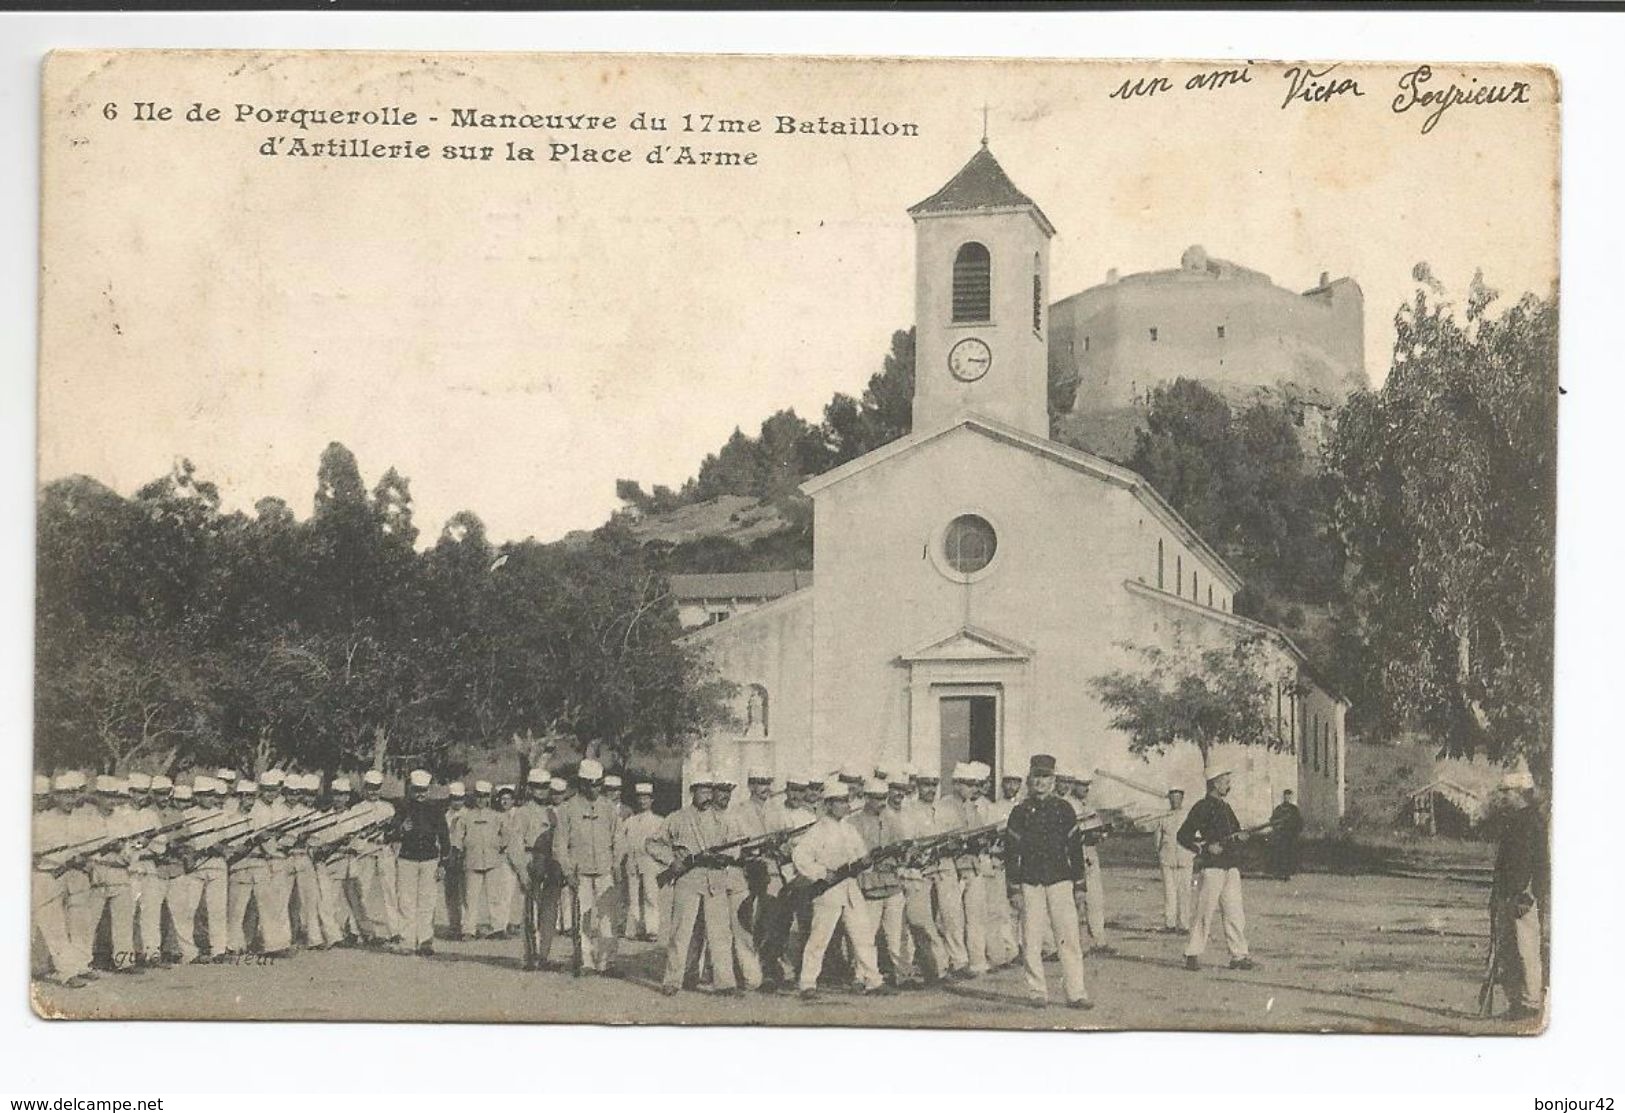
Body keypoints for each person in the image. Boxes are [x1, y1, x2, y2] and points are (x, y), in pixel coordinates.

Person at [1005, 754, 1092, 1008]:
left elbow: (1075, 850)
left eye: (1045, 777)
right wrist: (1013, 888)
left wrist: (1079, 885)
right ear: (1029, 780)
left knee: (1068, 937)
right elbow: (1011, 852)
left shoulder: (1064, 810)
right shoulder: (1019, 812)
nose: (1040, 782)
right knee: (1031, 938)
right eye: (1036, 777)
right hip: (1030, 882)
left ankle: (1076, 992)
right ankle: (1037, 992)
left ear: (1053, 780)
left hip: (1060, 881)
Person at [791, 782, 889, 1000]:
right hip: (828, 892)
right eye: (840, 801)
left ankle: (873, 979)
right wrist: (821, 873)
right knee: (819, 938)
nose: (845, 805)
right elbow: (800, 857)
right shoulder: (818, 830)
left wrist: (866, 862)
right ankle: (807, 983)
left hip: (850, 889)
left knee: (863, 935)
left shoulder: (849, 829)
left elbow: (861, 857)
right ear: (828, 804)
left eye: (846, 801)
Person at [647, 772, 737, 996]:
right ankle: (673, 980)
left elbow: (735, 846)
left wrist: (726, 857)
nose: (707, 795)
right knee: (681, 931)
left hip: (715, 879)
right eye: (702, 790)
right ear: (692, 792)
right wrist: (672, 861)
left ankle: (725, 983)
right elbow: (652, 843)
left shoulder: (723, 819)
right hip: (688, 879)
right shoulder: (677, 818)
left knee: (720, 934)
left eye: (710, 790)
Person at [1178, 767, 1255, 971]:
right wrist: (1203, 846)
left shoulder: (1226, 807)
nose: (1229, 785)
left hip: (1231, 867)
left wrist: (1241, 837)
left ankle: (1239, 956)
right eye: (1226, 781)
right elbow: (1183, 835)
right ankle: (1192, 954)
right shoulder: (1201, 807)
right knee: (1204, 911)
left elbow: (1236, 832)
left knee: (1235, 912)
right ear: (1215, 783)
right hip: (1212, 868)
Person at [553, 758, 622, 975]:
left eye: (599, 784)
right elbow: (559, 844)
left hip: (604, 870)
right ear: (582, 783)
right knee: (581, 919)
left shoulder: (609, 808)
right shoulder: (567, 809)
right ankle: (585, 961)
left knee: (607, 918)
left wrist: (617, 863)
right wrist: (566, 870)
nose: (595, 788)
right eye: (591, 784)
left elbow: (618, 838)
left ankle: (606, 962)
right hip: (579, 871)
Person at [1490, 770, 1548, 1021]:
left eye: (1507, 792)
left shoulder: (1532, 822)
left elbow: (1540, 864)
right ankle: (1516, 1002)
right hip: (1507, 894)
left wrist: (1530, 894)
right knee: (1509, 950)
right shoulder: (1513, 821)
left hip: (1523, 897)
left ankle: (1531, 1002)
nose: (1502, 797)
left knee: (1526, 950)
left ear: (1520, 793)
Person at [32, 773, 94, 988]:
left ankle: (79, 966)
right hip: (45, 876)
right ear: (55, 796)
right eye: (64, 795)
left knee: (78, 922)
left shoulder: (79, 818)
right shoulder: (41, 820)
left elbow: (86, 845)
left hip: (73, 875)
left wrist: (81, 858)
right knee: (53, 926)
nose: (69, 799)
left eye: (73, 794)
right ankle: (67, 973)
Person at [393, 770, 450, 955]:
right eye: (417, 790)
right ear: (411, 789)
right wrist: (401, 829)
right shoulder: (402, 808)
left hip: (429, 860)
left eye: (423, 790)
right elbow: (390, 833)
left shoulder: (436, 809)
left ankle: (425, 941)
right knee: (406, 900)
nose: (420, 794)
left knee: (427, 901)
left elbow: (444, 838)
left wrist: (443, 864)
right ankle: (407, 940)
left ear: (428, 790)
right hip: (407, 859)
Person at [454, 781, 506, 939]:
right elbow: (457, 838)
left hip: (492, 861)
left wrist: (499, 846)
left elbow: (507, 835)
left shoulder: (497, 816)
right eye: (478, 796)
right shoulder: (465, 817)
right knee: (470, 898)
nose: (481, 800)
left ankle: (498, 928)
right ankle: (469, 930)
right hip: (472, 861)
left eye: (484, 796)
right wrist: (460, 851)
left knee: (495, 896)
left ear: (489, 797)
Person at [1068, 774, 1112, 954]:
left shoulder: (1090, 806)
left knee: (1095, 900)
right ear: (1073, 785)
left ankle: (1098, 940)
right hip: (1075, 855)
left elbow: (1098, 829)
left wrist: (1101, 834)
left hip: (1091, 854)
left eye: (1087, 785)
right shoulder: (1068, 804)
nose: (1085, 789)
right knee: (1076, 901)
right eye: (1081, 785)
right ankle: (1078, 943)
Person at [619, 781, 663, 942]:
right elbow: (621, 841)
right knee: (632, 896)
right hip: (632, 861)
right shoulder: (630, 821)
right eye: (640, 798)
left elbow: (662, 845)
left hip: (650, 862)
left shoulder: (659, 821)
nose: (643, 801)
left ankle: (651, 929)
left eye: (646, 798)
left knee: (650, 896)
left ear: (652, 801)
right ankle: (633, 928)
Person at [1154, 787, 1195, 933]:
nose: (1175, 801)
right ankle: (1169, 924)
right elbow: (1158, 839)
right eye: (1172, 798)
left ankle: (1184, 925)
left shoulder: (1189, 816)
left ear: (1182, 799)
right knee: (1169, 893)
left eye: (1178, 797)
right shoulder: (1164, 817)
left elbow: (1196, 837)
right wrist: (1160, 854)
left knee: (1185, 892)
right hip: (1167, 859)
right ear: (1169, 799)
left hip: (1185, 858)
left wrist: (1192, 853)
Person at [441, 781, 467, 939]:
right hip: (449, 857)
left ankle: (465, 927)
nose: (457, 802)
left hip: (464, 857)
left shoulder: (468, 815)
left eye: (460, 798)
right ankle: (454, 925)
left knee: (465, 892)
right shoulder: (445, 816)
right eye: (454, 798)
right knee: (450, 893)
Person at [1268, 790, 1305, 881]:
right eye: (1285, 797)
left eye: (1289, 797)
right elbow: (1273, 821)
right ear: (1283, 797)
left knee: (1290, 855)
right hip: (1281, 837)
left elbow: (1299, 822)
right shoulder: (1279, 809)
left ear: (1291, 798)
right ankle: (1280, 873)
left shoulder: (1294, 809)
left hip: (1291, 837)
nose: (1287, 798)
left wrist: (1296, 832)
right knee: (1281, 855)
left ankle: (1288, 873)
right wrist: (1277, 828)